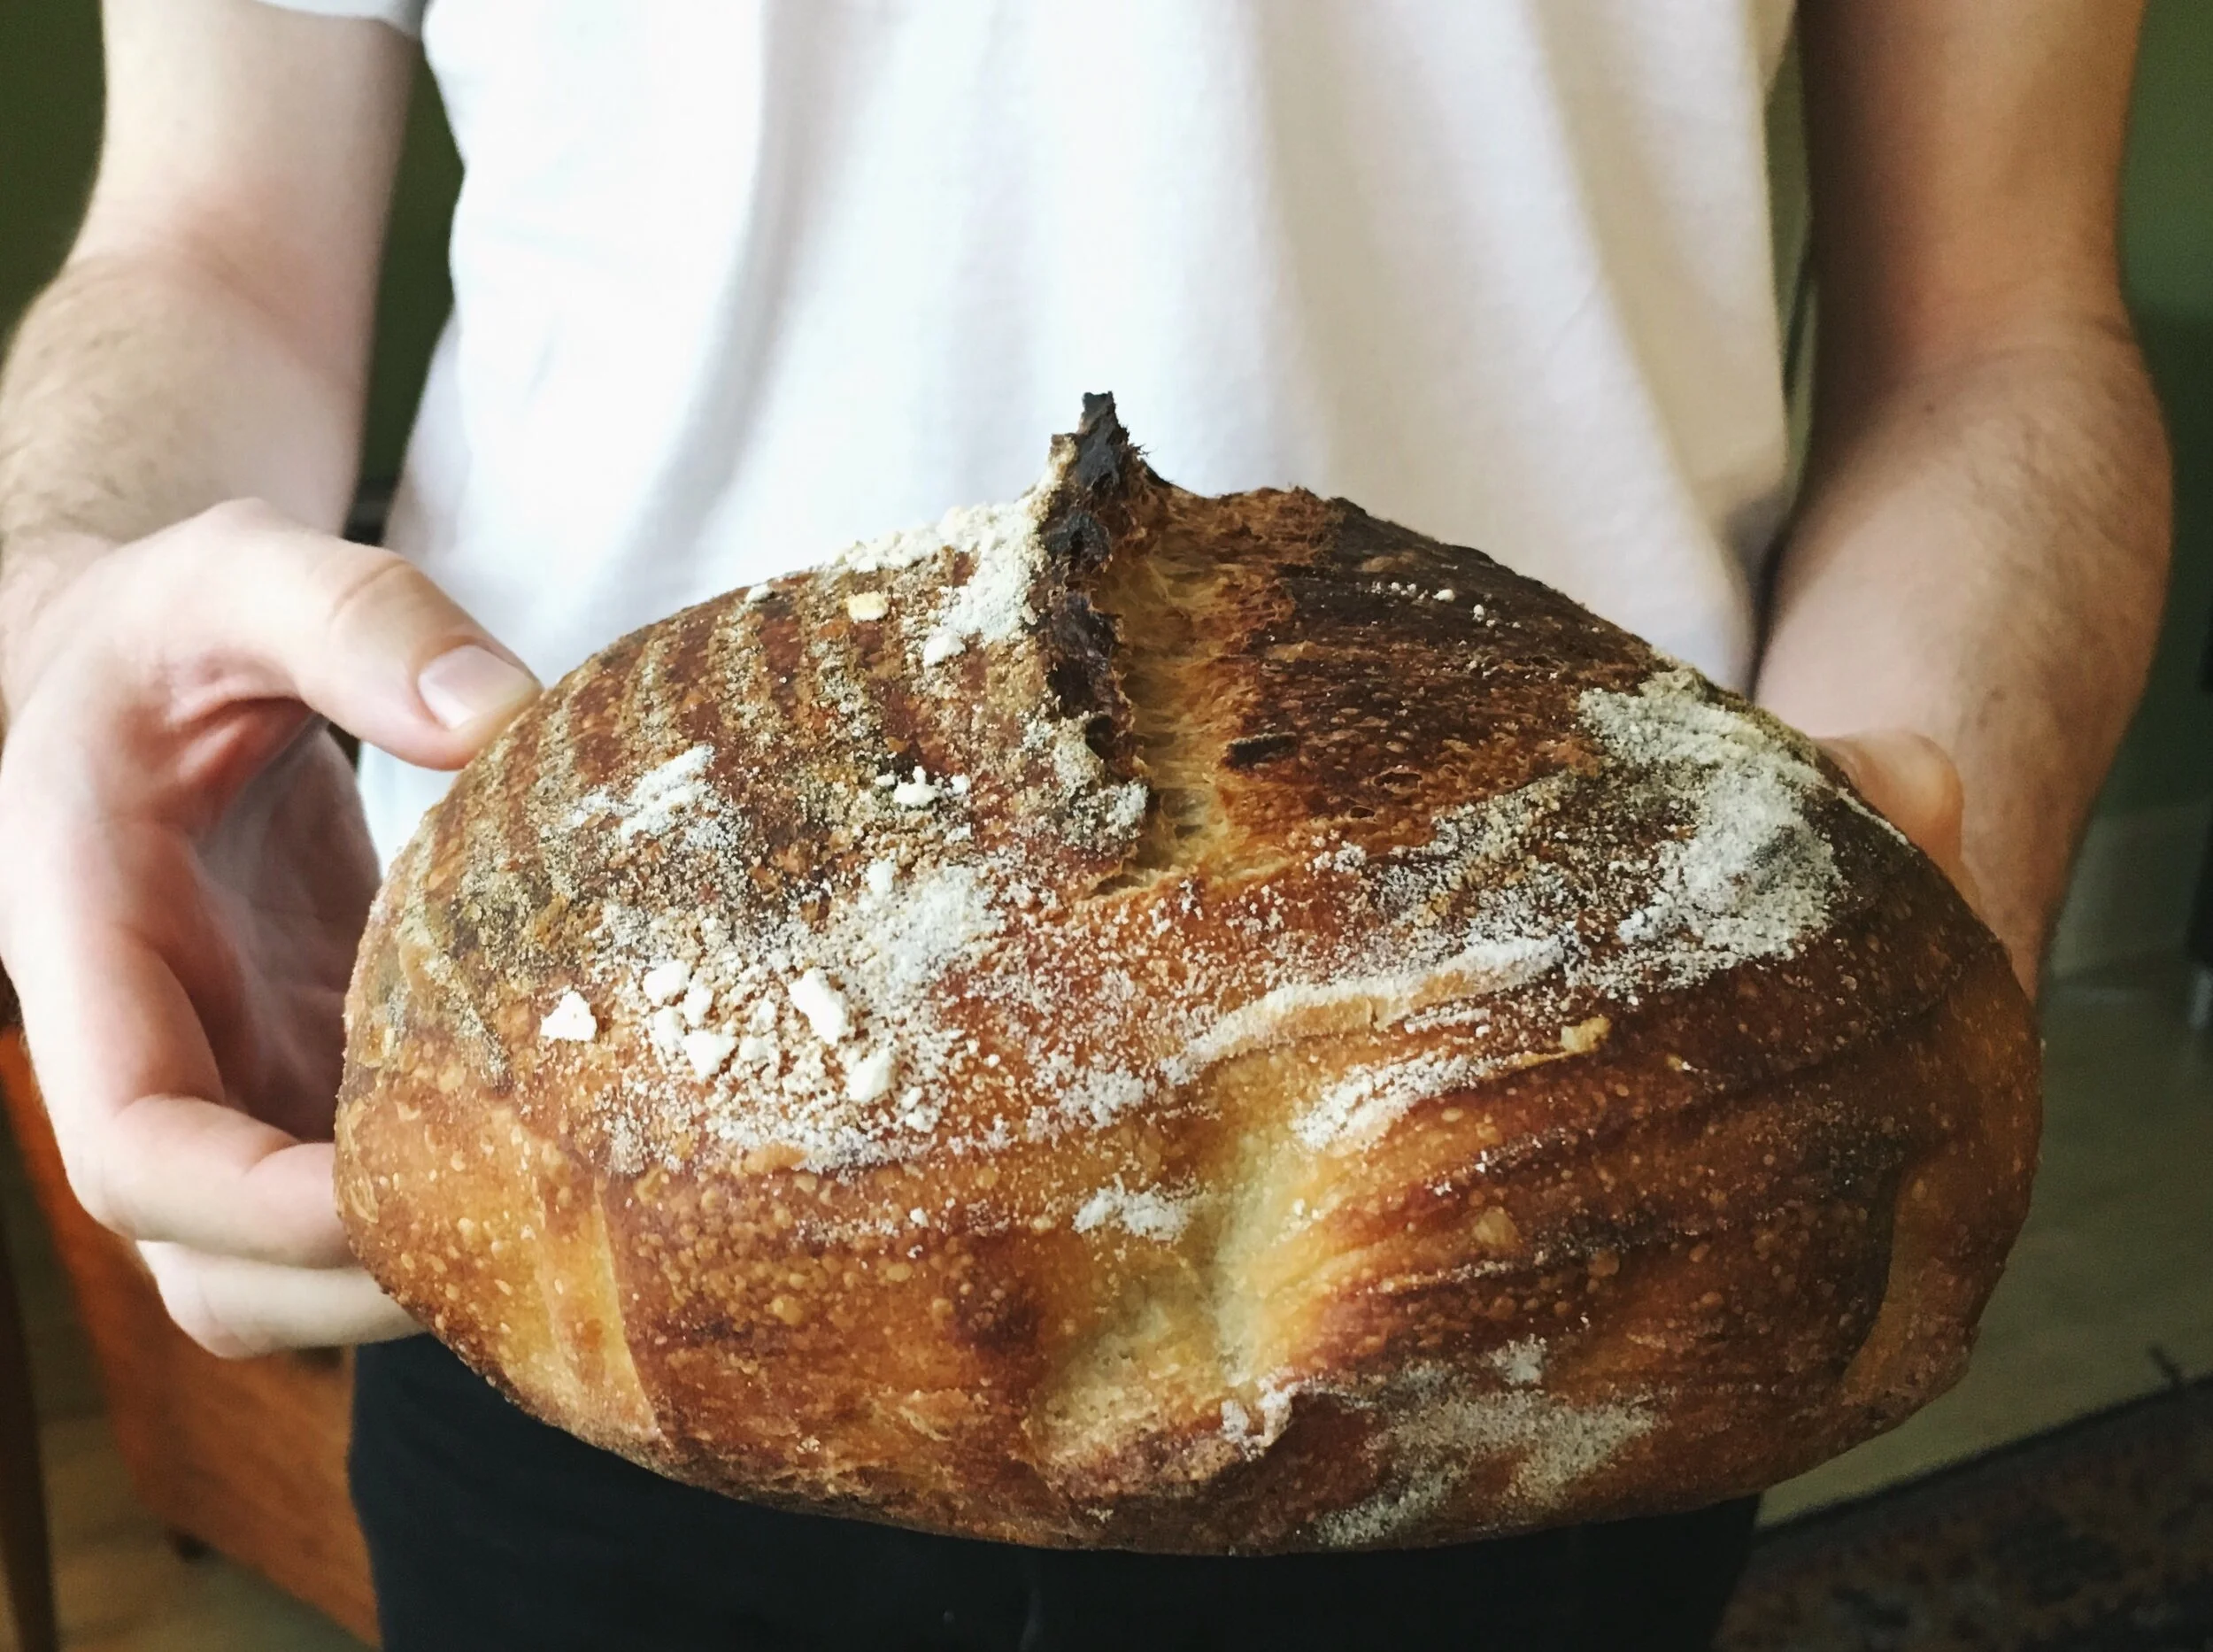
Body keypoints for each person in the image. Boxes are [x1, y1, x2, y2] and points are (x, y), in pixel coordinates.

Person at [0, 2, 2170, 1648]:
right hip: (590, 1157)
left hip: (1567, 1200)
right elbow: (200, 253)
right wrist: (65, 594)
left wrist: (1880, 987)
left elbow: (1990, 326)